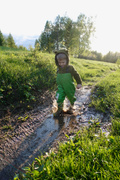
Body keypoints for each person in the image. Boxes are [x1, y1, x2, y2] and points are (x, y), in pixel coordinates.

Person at [53, 49, 82, 117]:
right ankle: (59, 109)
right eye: (59, 63)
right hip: (61, 86)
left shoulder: (70, 68)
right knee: (59, 97)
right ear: (57, 62)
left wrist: (79, 83)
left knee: (71, 97)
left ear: (67, 61)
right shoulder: (58, 68)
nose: (61, 64)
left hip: (69, 86)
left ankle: (71, 107)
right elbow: (58, 78)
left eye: (63, 62)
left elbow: (76, 75)